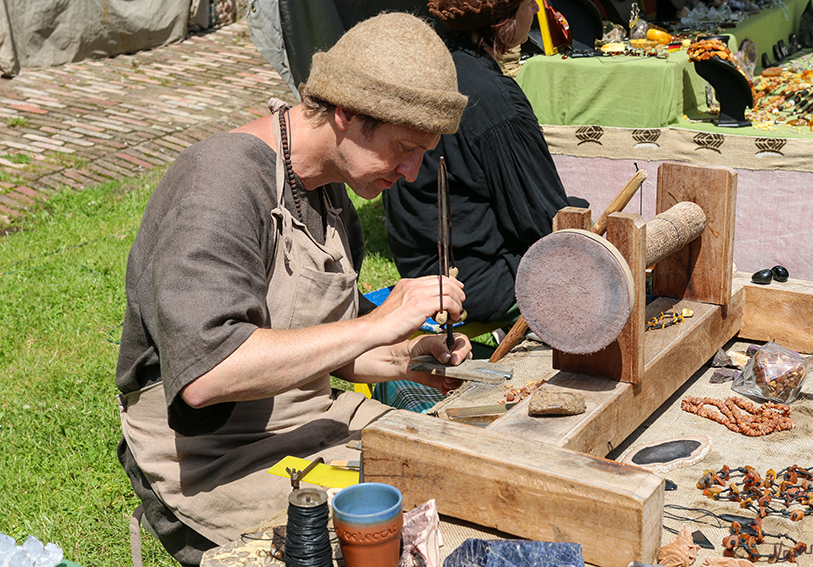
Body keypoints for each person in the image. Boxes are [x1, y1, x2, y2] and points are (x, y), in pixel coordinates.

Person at [115, 13, 470, 567]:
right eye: (404, 147)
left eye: (424, 152)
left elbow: (334, 351)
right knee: (375, 545)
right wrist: (377, 323)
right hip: (214, 459)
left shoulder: (330, 194)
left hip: (312, 421)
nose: (411, 171)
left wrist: (409, 357)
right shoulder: (222, 181)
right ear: (345, 112)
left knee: (465, 483)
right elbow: (207, 376)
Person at [382, 0, 588, 328]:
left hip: (420, 263)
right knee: (590, 251)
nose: (535, 11)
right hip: (473, 283)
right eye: (529, 3)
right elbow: (541, 222)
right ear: (500, 21)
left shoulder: (430, 66)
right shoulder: (493, 100)